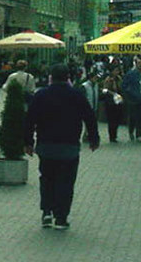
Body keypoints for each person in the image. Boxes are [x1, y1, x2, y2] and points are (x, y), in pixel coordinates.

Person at [23, 64, 100, 230]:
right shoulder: (77, 95)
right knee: (66, 182)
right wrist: (94, 138)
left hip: (46, 146)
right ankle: (61, 217)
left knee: (47, 178)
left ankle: (47, 212)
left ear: (51, 77)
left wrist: (28, 142)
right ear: (68, 78)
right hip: (69, 147)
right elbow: (90, 116)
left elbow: (30, 119)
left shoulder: (41, 95)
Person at [121, 56, 141, 142]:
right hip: (133, 100)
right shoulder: (130, 74)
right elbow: (124, 86)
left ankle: (139, 135)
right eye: (139, 63)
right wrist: (129, 94)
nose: (140, 65)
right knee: (133, 117)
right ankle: (131, 131)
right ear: (136, 64)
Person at [100, 66, 125, 143]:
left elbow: (121, 88)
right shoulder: (108, 79)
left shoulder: (119, 79)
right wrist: (111, 93)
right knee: (111, 119)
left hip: (118, 101)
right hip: (110, 102)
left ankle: (115, 134)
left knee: (117, 119)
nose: (117, 72)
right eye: (115, 70)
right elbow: (104, 90)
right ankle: (112, 136)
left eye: (117, 70)